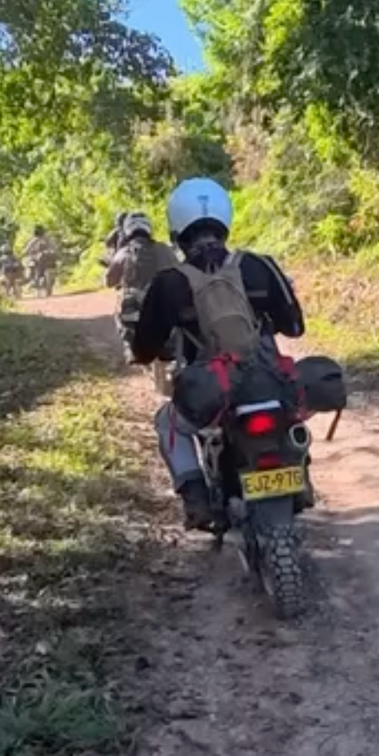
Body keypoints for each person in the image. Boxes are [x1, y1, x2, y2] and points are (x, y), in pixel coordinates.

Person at [128, 178, 304, 528]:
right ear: (225, 218)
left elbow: (145, 349)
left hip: (213, 392)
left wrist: (150, 350)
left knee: (168, 423)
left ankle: (197, 502)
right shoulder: (261, 266)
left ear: (177, 228)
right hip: (268, 381)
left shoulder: (169, 282)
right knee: (293, 415)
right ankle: (300, 475)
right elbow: (296, 327)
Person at [104, 212, 178, 346]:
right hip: (161, 303)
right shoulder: (163, 249)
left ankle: (129, 346)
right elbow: (180, 270)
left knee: (119, 307)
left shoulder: (123, 252)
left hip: (135, 306)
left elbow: (109, 282)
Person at [23, 226, 59, 294]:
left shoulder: (42, 239)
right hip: (39, 259)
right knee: (31, 266)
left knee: (31, 266)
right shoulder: (42, 239)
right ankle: (34, 282)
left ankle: (35, 282)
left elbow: (54, 247)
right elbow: (27, 249)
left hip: (45, 259)